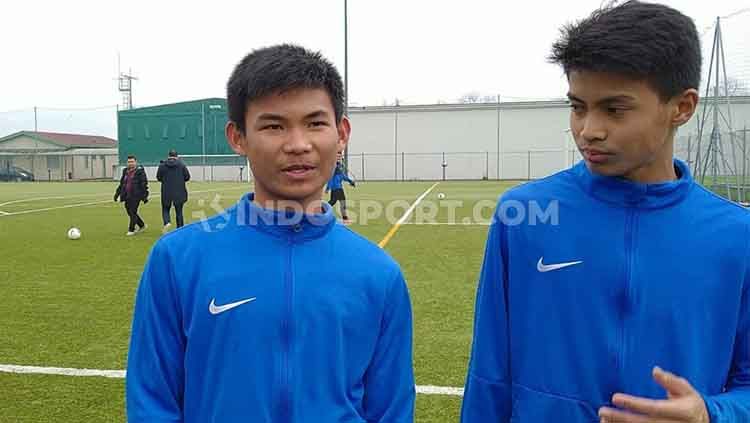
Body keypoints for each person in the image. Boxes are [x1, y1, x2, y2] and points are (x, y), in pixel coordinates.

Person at [461, 2, 750, 422]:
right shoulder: (522, 216)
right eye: (578, 106)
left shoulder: (737, 235)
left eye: (614, 109)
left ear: (682, 107)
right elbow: (489, 373)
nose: (588, 129)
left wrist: (710, 414)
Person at [126, 44, 415, 423]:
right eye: (274, 126)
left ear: (341, 133)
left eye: (315, 123)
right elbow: (152, 400)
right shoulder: (177, 260)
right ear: (238, 137)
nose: (298, 144)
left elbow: (390, 409)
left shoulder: (379, 274)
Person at [156, 149, 190, 232]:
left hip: (166, 191)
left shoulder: (162, 165)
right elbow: (187, 177)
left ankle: (167, 222)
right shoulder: (181, 165)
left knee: (165, 209)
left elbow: (158, 177)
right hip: (179, 191)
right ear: (177, 156)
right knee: (179, 212)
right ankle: (180, 229)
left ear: (168, 156)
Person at [114, 155, 149, 236]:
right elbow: (122, 183)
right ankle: (142, 225)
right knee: (129, 212)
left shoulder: (140, 171)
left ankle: (131, 230)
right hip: (126, 195)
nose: (130, 163)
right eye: (129, 162)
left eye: (132, 161)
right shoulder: (125, 171)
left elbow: (144, 184)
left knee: (133, 212)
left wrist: (144, 196)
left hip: (136, 195)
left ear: (135, 162)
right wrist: (117, 194)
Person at [325, 151, 356, 223]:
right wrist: (328, 188)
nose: (339, 157)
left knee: (333, 202)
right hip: (337, 188)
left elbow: (342, 176)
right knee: (341, 202)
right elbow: (330, 178)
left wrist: (350, 181)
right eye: (337, 156)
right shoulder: (334, 166)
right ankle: (345, 218)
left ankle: (321, 212)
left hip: (337, 188)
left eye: (340, 156)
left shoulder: (339, 165)